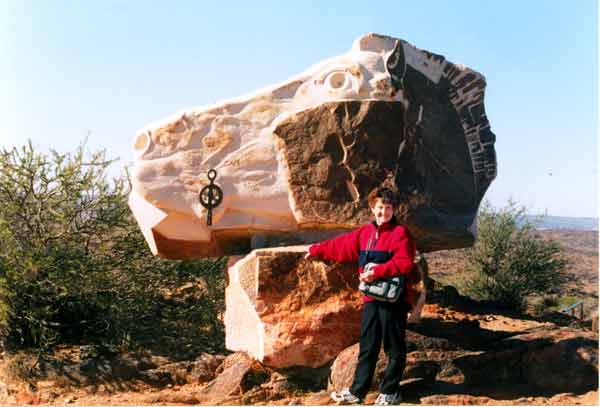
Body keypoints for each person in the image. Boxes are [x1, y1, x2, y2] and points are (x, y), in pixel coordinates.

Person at [305, 187, 416, 405]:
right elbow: (340, 246)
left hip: (395, 300)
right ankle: (358, 392)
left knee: (393, 347)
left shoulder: (400, 233)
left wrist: (377, 271)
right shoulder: (365, 234)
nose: (384, 212)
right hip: (372, 299)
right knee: (368, 346)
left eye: (388, 208)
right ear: (373, 208)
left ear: (394, 210)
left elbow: (405, 262)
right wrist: (316, 249)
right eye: (380, 207)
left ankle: (390, 392)